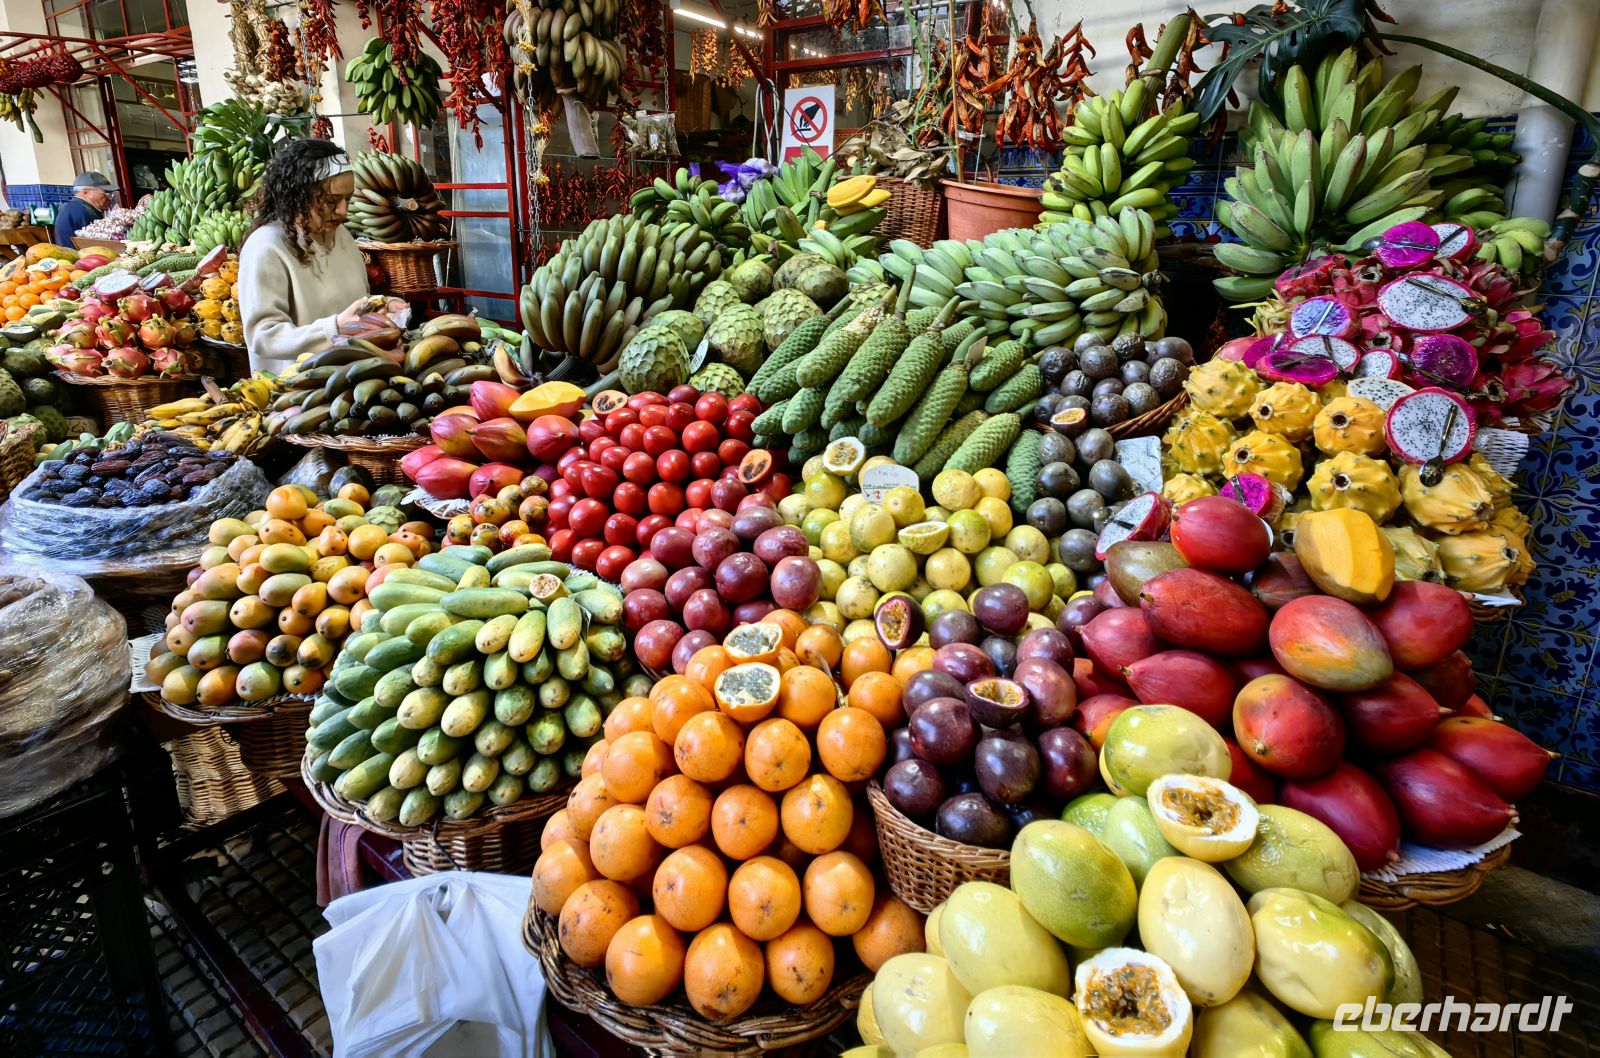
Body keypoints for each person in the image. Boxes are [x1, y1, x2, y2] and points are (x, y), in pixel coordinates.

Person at [238, 138, 403, 372]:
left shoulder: (342, 235)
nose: (343, 211)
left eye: (347, 198)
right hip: (299, 393)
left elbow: (353, 308)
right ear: (298, 196)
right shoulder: (266, 247)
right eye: (330, 200)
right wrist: (333, 328)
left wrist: (381, 307)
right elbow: (263, 337)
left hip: (352, 379)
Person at [54, 172, 115, 245]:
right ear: (85, 192)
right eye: (106, 192)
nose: (110, 197)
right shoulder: (82, 212)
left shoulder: (73, 207)